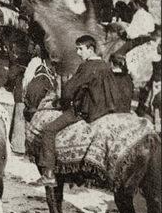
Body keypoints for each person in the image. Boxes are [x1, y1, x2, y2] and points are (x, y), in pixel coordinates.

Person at [35, 35, 131, 187]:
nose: (78, 53)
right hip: (105, 110)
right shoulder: (106, 66)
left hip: (88, 112)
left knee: (48, 130)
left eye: (80, 49)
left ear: (90, 49)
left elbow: (68, 91)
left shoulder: (87, 67)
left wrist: (63, 103)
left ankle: (49, 174)